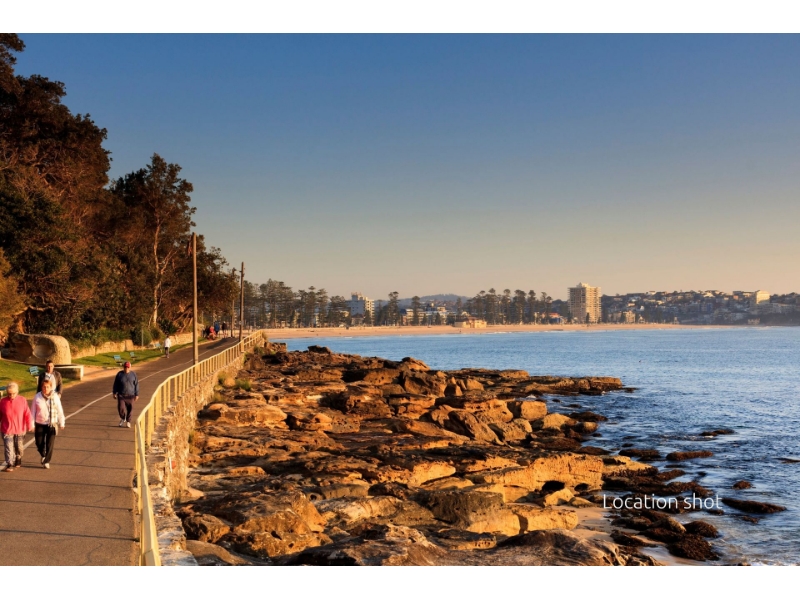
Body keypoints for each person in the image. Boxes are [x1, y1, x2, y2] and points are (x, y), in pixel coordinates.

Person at [30, 379, 65, 469]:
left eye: (47, 387)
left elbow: (60, 410)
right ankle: (43, 455)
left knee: (50, 444)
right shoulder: (37, 397)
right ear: (41, 387)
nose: (46, 389)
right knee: (39, 443)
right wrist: (32, 424)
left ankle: (46, 461)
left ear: (51, 387)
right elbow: (33, 411)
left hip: (51, 423)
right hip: (40, 423)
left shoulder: (55, 397)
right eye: (44, 387)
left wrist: (62, 422)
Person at [0, 382, 33, 472]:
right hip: (7, 429)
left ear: (17, 392)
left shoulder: (22, 400)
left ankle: (18, 457)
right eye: (9, 393)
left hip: (20, 429)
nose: (11, 395)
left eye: (13, 393)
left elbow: (27, 413)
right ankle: (10, 463)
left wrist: (30, 425)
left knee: (19, 447)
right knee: (9, 447)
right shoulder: (3, 402)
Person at [112, 361, 139, 428]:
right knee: (121, 408)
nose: (126, 368)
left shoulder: (133, 374)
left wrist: (137, 394)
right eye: (125, 367)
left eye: (127, 367)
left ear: (130, 367)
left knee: (130, 409)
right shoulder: (119, 374)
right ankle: (123, 418)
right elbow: (116, 384)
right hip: (121, 395)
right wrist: (114, 392)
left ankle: (128, 421)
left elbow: (136, 385)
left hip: (131, 395)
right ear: (123, 367)